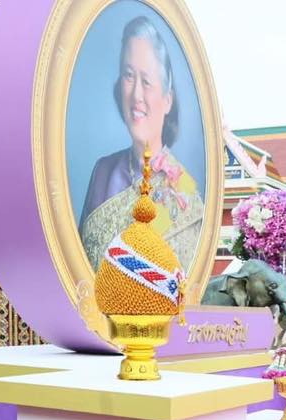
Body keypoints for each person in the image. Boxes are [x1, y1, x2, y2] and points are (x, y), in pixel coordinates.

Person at [78, 16, 204, 272]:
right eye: (128, 76)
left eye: (146, 81)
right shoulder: (103, 171)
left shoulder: (185, 191)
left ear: (167, 99)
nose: (136, 95)